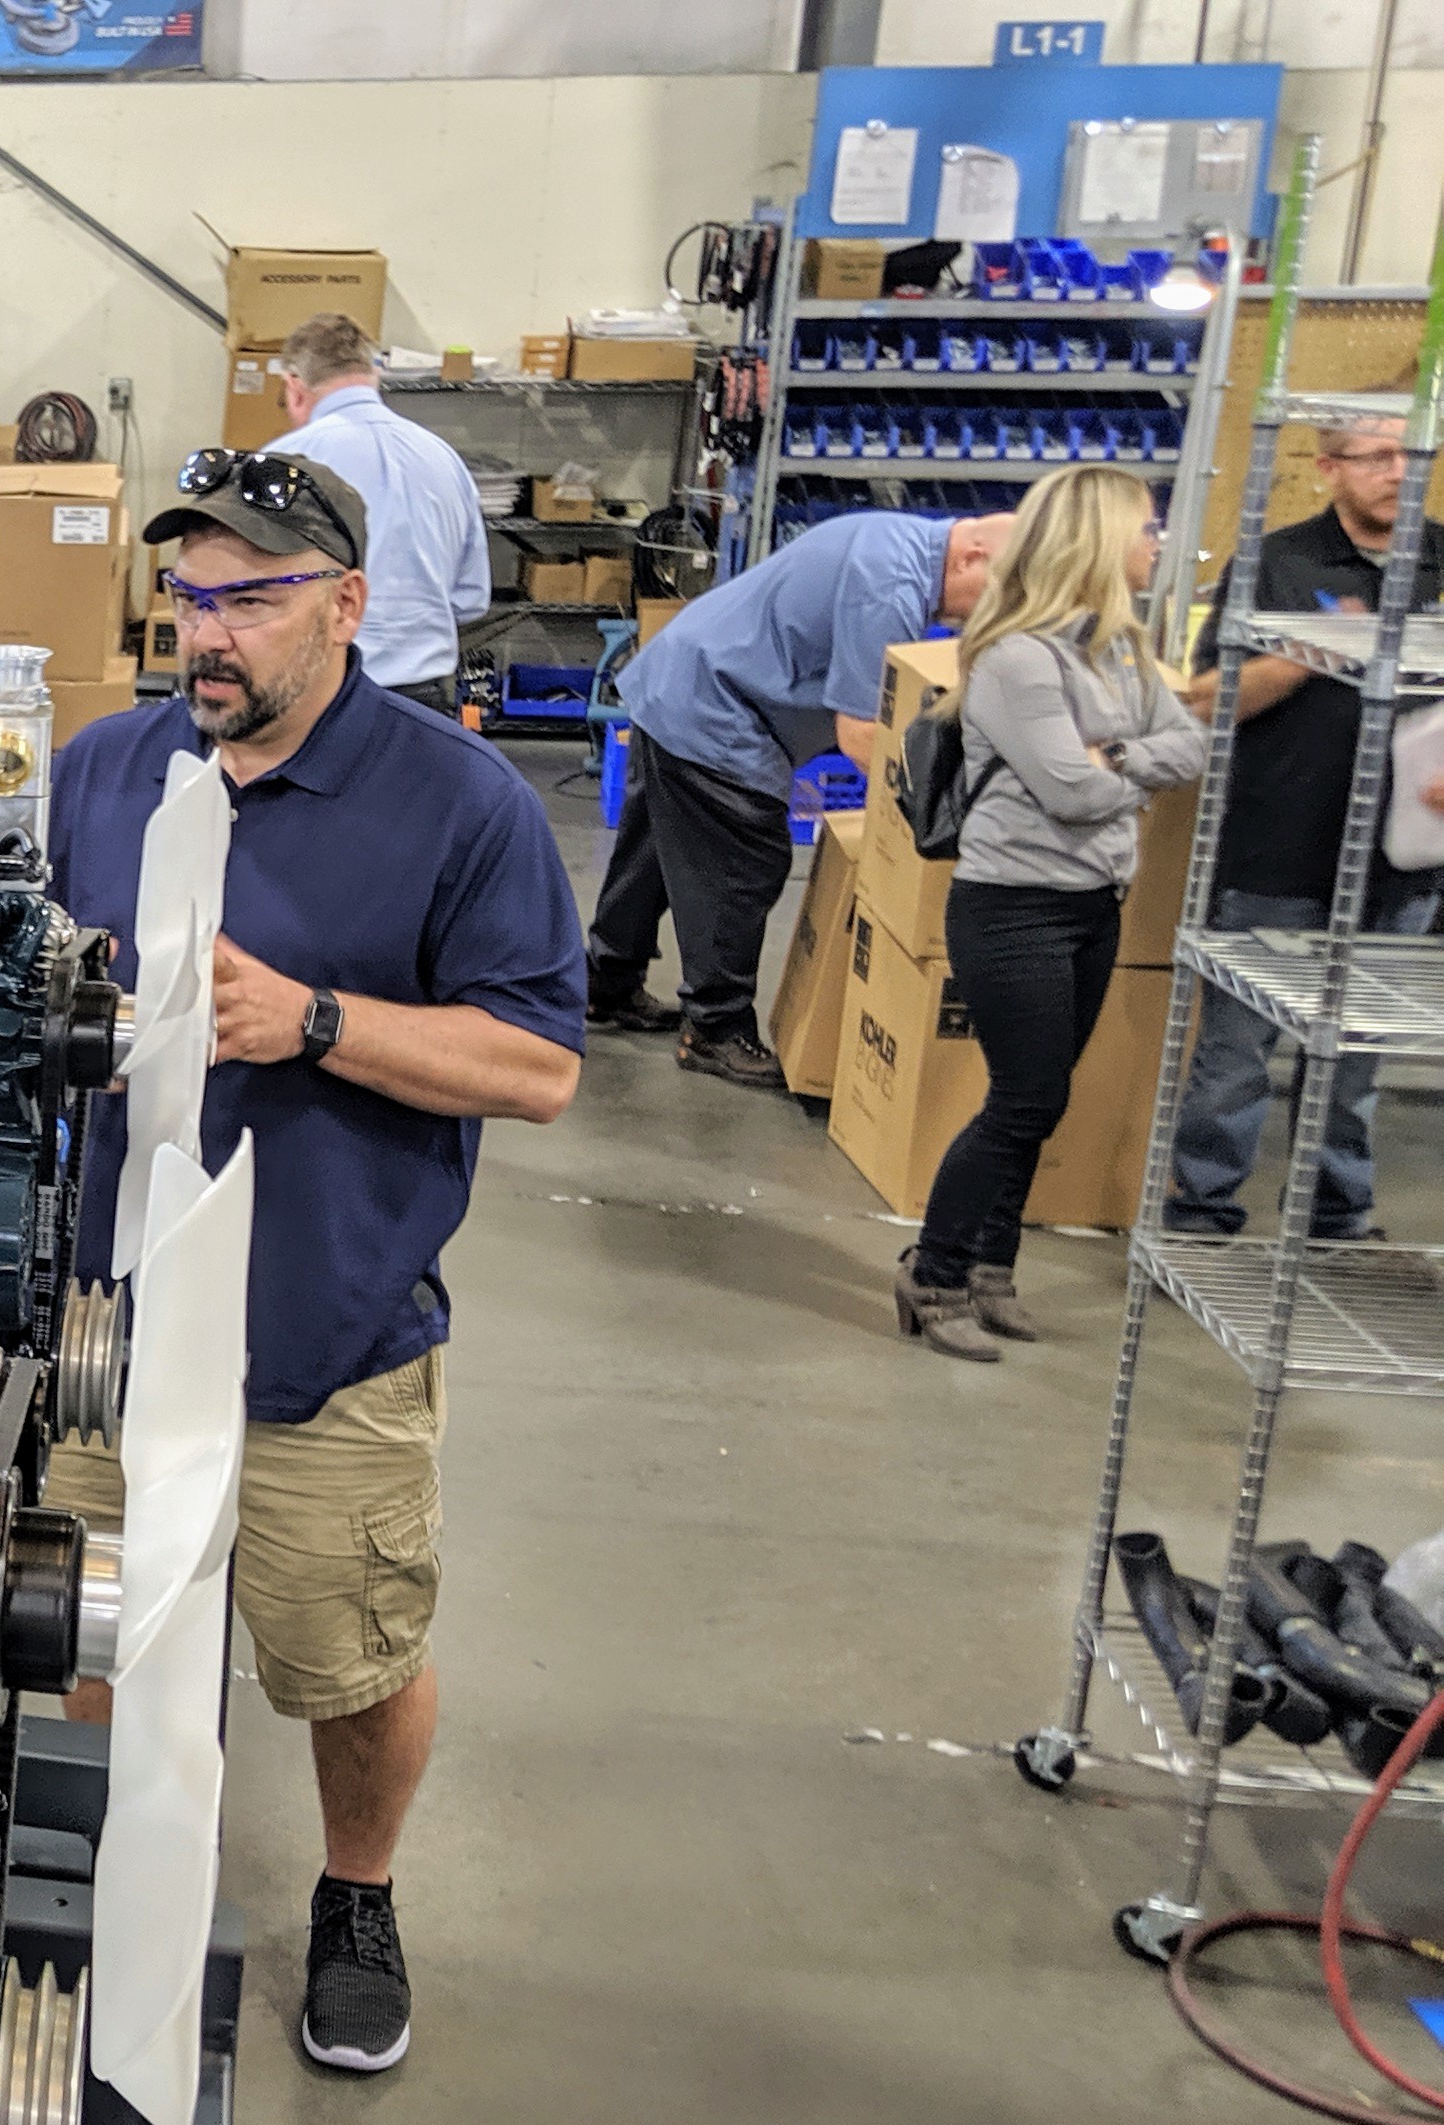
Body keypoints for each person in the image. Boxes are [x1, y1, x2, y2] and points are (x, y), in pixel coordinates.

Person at [47, 447, 585, 2077]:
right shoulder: (106, 769)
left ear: (347, 606)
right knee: (92, 1622)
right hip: (110, 1326)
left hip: (325, 1335)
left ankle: (358, 1895)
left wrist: (318, 1022)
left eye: (250, 601)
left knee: (347, 1658)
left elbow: (539, 1069)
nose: (206, 633)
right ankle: (112, 1865)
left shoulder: (460, 803)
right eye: (186, 597)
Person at [895, 468, 1204, 1360]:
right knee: (1025, 1099)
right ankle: (933, 1273)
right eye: (1145, 530)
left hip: (1094, 904)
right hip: (1013, 908)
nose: (1158, 546)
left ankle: (992, 1269)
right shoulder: (1019, 658)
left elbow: (1191, 745)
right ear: (1096, 541)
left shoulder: (1121, 648)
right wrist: (1127, 765)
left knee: (1045, 1097)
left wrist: (1117, 757)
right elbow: (1070, 791)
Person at [588, 506, 1012, 1085]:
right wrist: (935, 813)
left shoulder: (901, 540)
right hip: (715, 707)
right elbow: (861, 735)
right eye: (996, 596)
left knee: (654, 855)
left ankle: (607, 983)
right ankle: (716, 1030)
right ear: (971, 558)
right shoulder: (889, 587)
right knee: (744, 862)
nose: (987, 615)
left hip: (682, 680)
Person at [1170, 414, 1444, 1246]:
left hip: (1402, 865)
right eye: (1377, 457)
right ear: (1328, 467)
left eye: (1415, 455)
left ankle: (1337, 1215)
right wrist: (1312, 652)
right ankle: (1202, 1213)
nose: (1399, 472)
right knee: (1236, 1053)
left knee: (1356, 1056)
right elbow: (1207, 701)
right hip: (1276, 850)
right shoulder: (1274, 563)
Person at [262, 312, 488, 712]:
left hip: (317, 698)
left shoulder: (285, 462)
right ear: (374, 375)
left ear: (294, 386)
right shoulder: (445, 459)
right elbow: (470, 598)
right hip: (423, 704)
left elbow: (254, 591)